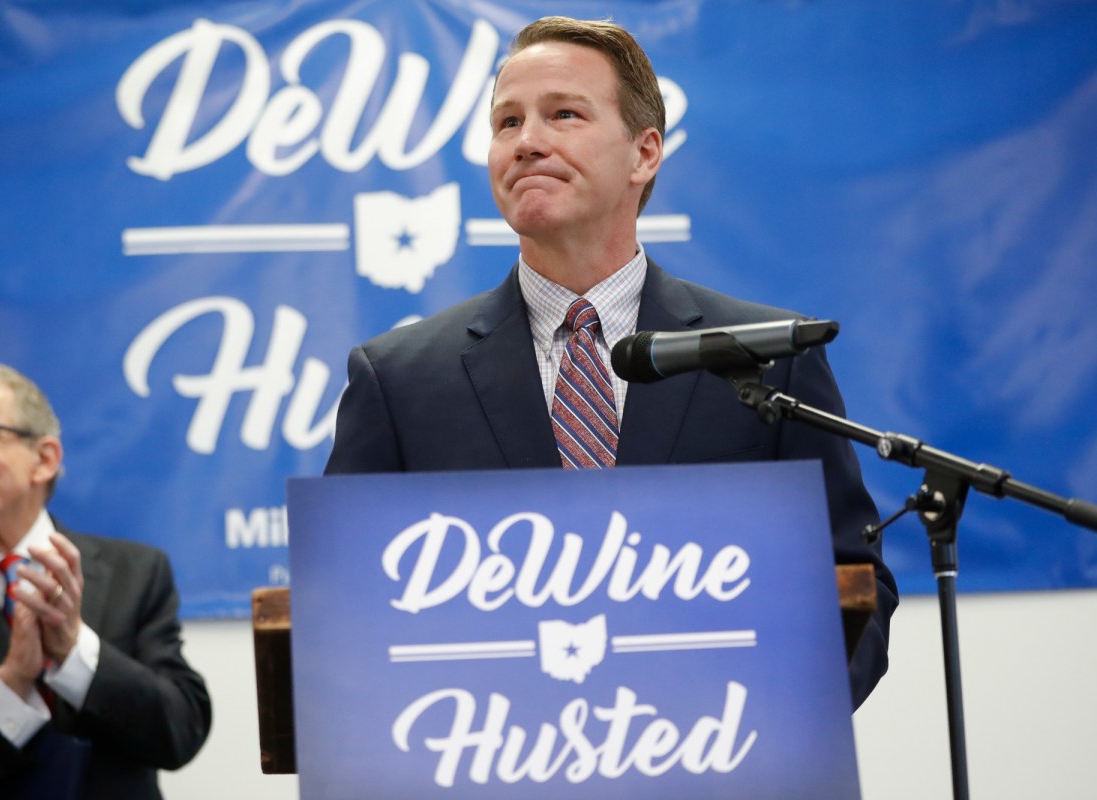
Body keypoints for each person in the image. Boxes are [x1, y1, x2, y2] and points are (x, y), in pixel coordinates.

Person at [325, 16, 897, 708]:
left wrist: (751, 725)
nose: (527, 141)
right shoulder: (397, 378)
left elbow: (853, 588)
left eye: (563, 114)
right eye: (507, 123)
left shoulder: (769, 357)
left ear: (644, 153)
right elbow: (344, 612)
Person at [0, 360, 211, 799]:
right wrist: (12, 682)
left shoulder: (135, 572)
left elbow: (180, 733)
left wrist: (74, 652)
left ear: (44, 458)